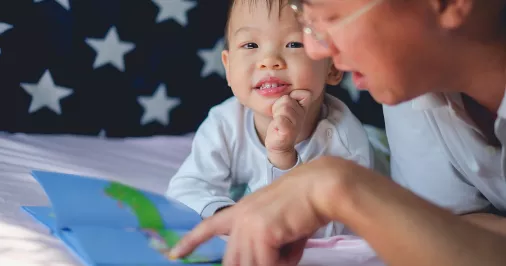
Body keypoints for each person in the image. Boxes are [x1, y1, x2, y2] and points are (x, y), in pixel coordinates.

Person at [168, 0, 506, 265]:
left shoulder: (346, 133)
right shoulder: (410, 93)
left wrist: (336, 187)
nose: (319, 50)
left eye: (330, 18)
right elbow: (451, 231)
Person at [166, 0, 377, 239]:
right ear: (228, 66)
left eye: (294, 43)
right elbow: (184, 190)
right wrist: (227, 215)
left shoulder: (346, 144)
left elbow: (334, 231)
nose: (269, 60)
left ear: (332, 67)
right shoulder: (224, 123)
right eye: (250, 44)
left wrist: (284, 159)